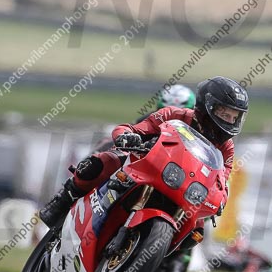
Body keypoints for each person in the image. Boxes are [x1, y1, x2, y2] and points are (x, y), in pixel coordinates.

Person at [39, 76, 249, 228]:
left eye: (234, 117)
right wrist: (126, 136)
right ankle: (62, 202)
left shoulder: (226, 146)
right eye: (224, 113)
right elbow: (134, 129)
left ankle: (158, 260)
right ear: (207, 106)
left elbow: (222, 178)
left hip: (184, 185)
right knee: (100, 163)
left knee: (197, 228)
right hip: (147, 166)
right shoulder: (174, 114)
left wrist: (220, 198)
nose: (229, 121)